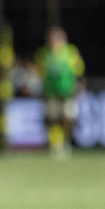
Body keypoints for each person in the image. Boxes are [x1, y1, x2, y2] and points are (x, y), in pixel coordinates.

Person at [36, 26, 84, 158]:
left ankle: (66, 142)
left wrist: (79, 89)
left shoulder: (71, 52)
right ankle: (55, 145)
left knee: (68, 119)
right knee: (53, 119)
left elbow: (78, 73)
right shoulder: (44, 54)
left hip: (68, 92)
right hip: (51, 93)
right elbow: (41, 75)